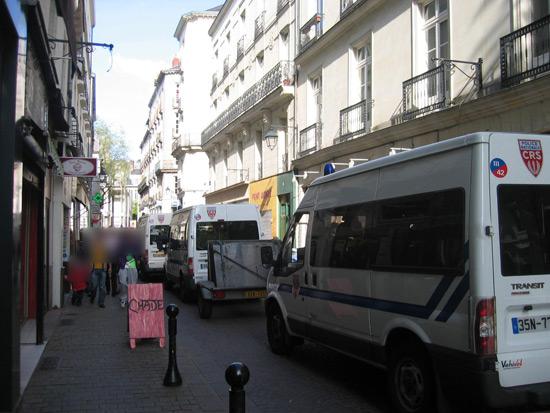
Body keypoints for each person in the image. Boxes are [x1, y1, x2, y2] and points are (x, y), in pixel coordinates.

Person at [90, 238, 108, 308]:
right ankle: (92, 297)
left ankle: (101, 302)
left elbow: (106, 258)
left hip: (102, 270)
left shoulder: (104, 248)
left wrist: (108, 268)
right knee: (94, 286)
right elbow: (91, 259)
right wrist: (90, 267)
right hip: (94, 270)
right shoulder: (93, 249)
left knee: (102, 287)